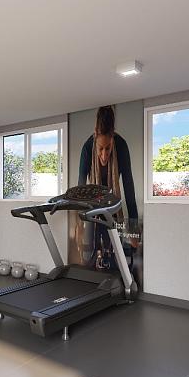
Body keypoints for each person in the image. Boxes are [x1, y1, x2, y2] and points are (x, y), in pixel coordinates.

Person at [76, 105, 138, 269]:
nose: (104, 155)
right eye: (100, 149)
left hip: (113, 203)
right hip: (93, 203)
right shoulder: (87, 147)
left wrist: (134, 230)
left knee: (114, 247)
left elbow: (129, 189)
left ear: (113, 140)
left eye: (108, 148)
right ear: (95, 140)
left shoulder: (121, 146)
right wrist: (79, 224)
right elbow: (80, 187)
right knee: (90, 249)